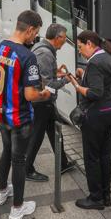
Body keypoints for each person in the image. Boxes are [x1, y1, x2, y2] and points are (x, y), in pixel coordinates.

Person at [0, 10, 51, 219]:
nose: (35, 38)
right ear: (30, 29)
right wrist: (45, 93)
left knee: (6, 150)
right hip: (19, 117)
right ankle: (17, 207)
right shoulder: (27, 56)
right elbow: (30, 94)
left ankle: (1, 191)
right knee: (19, 159)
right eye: (35, 34)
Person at [67, 30, 111, 210]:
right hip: (110, 109)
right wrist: (85, 75)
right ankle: (106, 196)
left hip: (96, 113)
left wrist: (76, 84)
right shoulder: (110, 57)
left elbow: (95, 93)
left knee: (92, 157)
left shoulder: (96, 62)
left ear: (89, 43)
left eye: (80, 47)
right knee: (104, 154)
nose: (80, 51)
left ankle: (95, 198)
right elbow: (103, 84)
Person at [25, 23, 76, 182]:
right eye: (64, 37)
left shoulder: (40, 47)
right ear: (58, 37)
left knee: (55, 132)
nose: (65, 41)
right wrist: (65, 80)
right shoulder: (45, 54)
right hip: (42, 102)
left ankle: (63, 163)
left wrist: (56, 72)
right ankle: (27, 169)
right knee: (37, 136)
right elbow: (46, 86)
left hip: (44, 102)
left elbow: (42, 73)